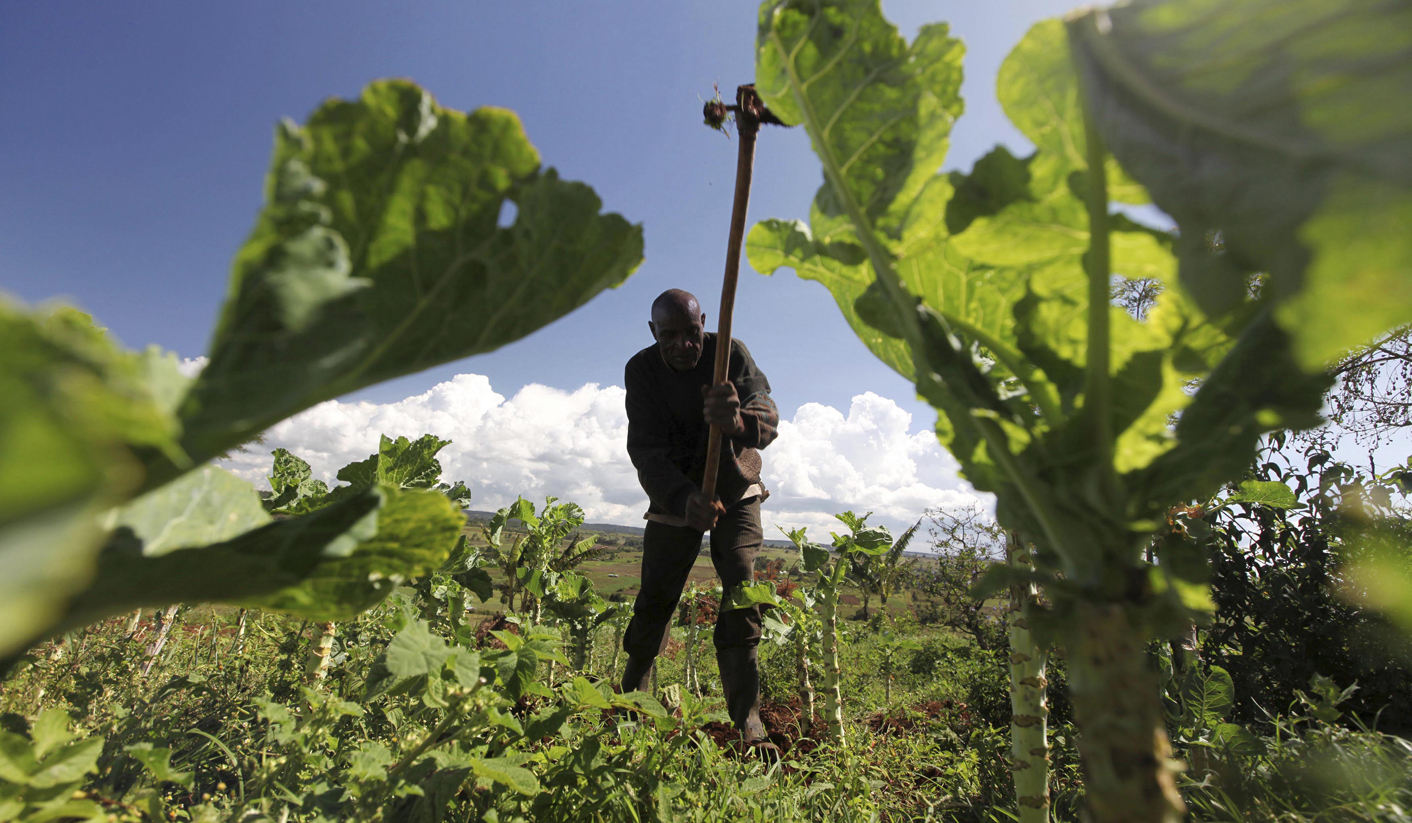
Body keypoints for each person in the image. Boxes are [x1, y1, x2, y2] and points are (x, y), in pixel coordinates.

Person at [620, 288, 779, 745]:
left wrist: (738, 422)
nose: (683, 345)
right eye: (669, 335)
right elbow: (646, 452)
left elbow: (767, 414)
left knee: (742, 589)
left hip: (736, 488)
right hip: (675, 496)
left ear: (704, 323)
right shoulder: (642, 370)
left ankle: (748, 720)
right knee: (656, 595)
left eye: (692, 333)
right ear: (653, 332)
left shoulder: (730, 353)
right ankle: (631, 706)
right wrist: (684, 497)